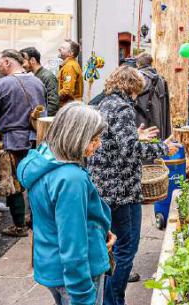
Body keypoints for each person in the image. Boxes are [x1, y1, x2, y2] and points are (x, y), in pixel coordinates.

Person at [87, 66, 178, 305]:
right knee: (126, 248)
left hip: (103, 186)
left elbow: (112, 142)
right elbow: (130, 151)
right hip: (121, 190)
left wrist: (136, 135)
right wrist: (162, 148)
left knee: (111, 245)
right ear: (132, 87)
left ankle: (107, 298)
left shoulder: (105, 103)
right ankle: (114, 301)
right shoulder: (123, 108)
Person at [17, 102, 114, 305]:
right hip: (76, 275)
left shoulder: (44, 159)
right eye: (94, 139)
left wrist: (100, 229)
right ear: (76, 137)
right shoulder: (71, 179)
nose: (98, 144)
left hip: (51, 263)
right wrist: (82, 294)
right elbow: (73, 243)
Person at [0, 49, 46, 237]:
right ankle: (35, 219)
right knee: (34, 181)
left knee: (13, 184)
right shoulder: (37, 81)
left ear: (7, 62)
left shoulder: (2, 84)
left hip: (11, 141)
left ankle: (19, 226)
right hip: (35, 138)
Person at [133, 53, 171, 139]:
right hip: (158, 124)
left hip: (141, 123)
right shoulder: (161, 79)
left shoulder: (136, 78)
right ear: (151, 63)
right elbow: (165, 107)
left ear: (138, 64)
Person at [20, 47, 60, 116]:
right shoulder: (36, 76)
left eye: (23, 62)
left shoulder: (48, 77)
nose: (22, 65)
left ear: (32, 60)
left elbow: (53, 105)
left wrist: (39, 117)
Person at [57, 39, 83, 107]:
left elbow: (67, 91)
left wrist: (54, 97)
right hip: (71, 107)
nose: (59, 49)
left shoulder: (69, 66)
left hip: (69, 108)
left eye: (63, 48)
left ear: (70, 53)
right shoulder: (70, 65)